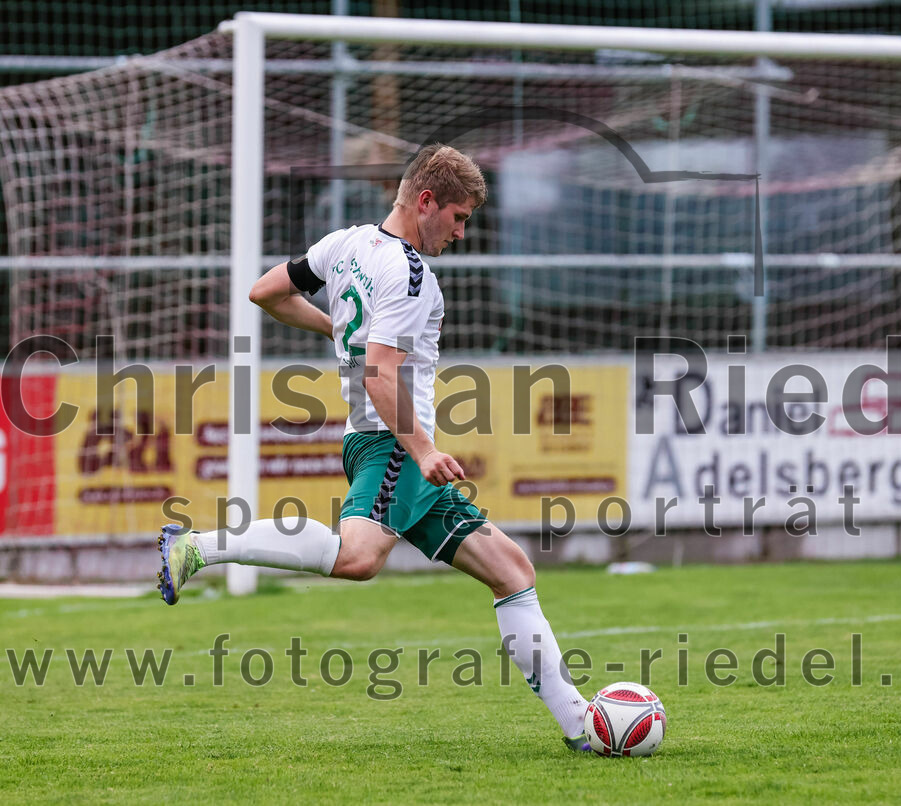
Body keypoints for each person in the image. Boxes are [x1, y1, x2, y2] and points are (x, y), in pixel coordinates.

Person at [158, 144, 591, 752]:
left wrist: (337, 324)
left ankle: (583, 726)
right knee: (358, 558)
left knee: (512, 570)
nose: (461, 233)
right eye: (459, 218)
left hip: (371, 440)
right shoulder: (411, 275)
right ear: (426, 202)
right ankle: (198, 546)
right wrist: (420, 449)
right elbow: (380, 376)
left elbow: (266, 292)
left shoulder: (346, 244)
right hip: (392, 444)